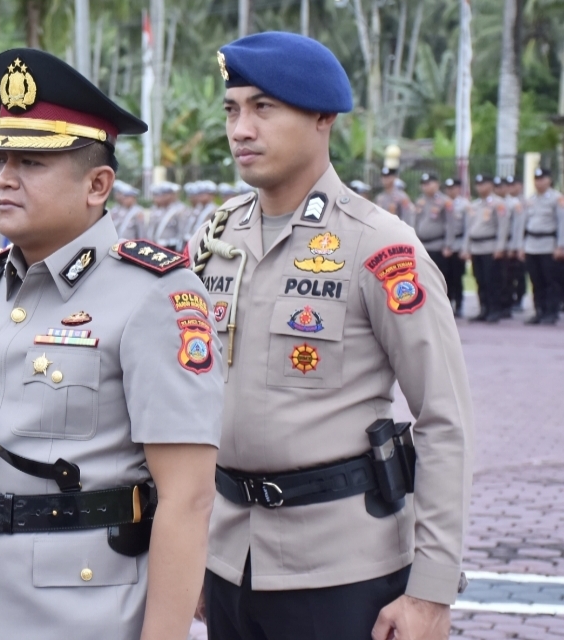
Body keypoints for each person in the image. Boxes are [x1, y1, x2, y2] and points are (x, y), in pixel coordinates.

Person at [188, 32, 472, 640]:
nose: (241, 129)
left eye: (264, 108)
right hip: (230, 559)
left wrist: (431, 591)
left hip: (342, 567)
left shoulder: (380, 247)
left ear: (323, 118)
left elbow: (443, 419)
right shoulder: (213, 241)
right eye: (232, 110)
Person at [0, 47, 223, 640]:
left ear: (98, 185)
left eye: (33, 162)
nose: (5, 178)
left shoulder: (154, 295)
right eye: (0, 159)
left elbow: (188, 499)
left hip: (85, 612)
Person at [516, 167, 564, 325]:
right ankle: (539, 310)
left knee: (551, 281)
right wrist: (522, 246)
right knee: (536, 280)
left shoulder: (557, 198)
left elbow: (561, 223)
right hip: (532, 244)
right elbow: (524, 224)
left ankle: (551, 312)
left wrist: (560, 246)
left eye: (542, 179)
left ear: (549, 180)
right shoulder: (531, 199)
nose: (539, 182)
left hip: (548, 244)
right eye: (536, 179)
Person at [462, 174, 510, 322]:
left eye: (483, 184)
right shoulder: (474, 205)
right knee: (480, 280)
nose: (480, 187)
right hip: (476, 247)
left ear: (490, 185)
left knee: (492, 281)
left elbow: (503, 227)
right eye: (478, 184)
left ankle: (495, 309)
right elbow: (468, 229)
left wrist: (500, 247)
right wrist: (466, 248)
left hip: (490, 247)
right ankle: (484, 308)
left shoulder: (498, 203)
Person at [410, 173, 455, 288]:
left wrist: (448, 245)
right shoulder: (420, 201)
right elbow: (415, 222)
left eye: (429, 183)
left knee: (440, 278)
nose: (426, 186)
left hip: (438, 245)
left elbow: (450, 224)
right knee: (423, 278)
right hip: (423, 246)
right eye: (424, 184)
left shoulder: (445, 201)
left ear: (437, 184)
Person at [443, 178, 468, 317]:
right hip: (445, 244)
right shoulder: (442, 203)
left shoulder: (464, 205)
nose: (450, 191)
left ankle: (459, 304)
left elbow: (467, 228)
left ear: (459, 188)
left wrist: (465, 248)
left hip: (458, 243)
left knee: (457, 277)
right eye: (448, 188)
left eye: (453, 188)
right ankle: (447, 304)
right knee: (445, 277)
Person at [503, 175, 527, 314]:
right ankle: (509, 299)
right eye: (509, 185)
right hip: (506, 242)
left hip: (520, 242)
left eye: (514, 185)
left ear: (520, 186)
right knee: (507, 275)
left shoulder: (526, 202)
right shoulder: (504, 202)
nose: (511, 188)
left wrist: (517, 246)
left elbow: (520, 227)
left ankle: (519, 298)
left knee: (519, 274)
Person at [148, 181, 189, 251]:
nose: (155, 198)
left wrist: (180, 251)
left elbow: (182, 233)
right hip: (156, 246)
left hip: (171, 247)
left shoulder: (180, 210)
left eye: (159, 196)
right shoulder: (156, 209)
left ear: (169, 196)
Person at [185, 180, 219, 247]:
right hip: (193, 241)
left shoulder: (216, 210)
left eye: (203, 194)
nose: (200, 196)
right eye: (199, 193)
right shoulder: (197, 209)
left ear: (211, 195)